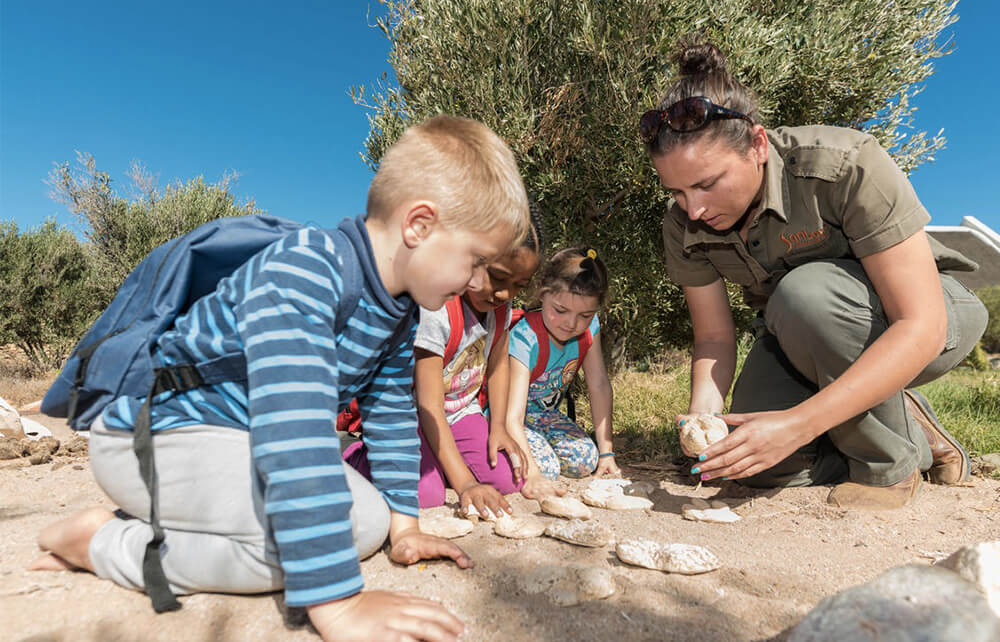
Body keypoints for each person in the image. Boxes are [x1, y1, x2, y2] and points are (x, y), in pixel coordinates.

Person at [29, 115, 531, 642]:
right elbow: (295, 437)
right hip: (156, 437)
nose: (477, 282)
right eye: (475, 260)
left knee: (367, 525)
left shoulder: (398, 312)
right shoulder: (307, 270)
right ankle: (104, 544)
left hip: (235, 444)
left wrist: (405, 526)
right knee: (302, 550)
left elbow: (390, 414)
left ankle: (154, 523)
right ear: (419, 226)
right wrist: (338, 604)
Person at [643, 39, 988, 510]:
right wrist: (704, 419)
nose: (695, 208)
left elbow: (922, 326)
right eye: (678, 191)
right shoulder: (681, 223)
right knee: (750, 460)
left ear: (758, 146)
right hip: (798, 338)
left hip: (932, 317)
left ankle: (888, 466)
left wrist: (799, 425)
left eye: (706, 183)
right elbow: (713, 338)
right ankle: (907, 426)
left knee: (803, 294)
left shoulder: (845, 164)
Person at [344, 205, 543, 517]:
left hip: (460, 411)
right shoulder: (439, 310)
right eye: (498, 277)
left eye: (520, 284)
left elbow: (498, 364)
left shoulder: (501, 310)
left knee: (507, 479)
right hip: (413, 413)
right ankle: (360, 456)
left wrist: (499, 427)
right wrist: (464, 483)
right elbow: (429, 406)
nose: (505, 293)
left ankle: (437, 460)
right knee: (428, 494)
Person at [505, 247, 620, 499]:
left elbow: (599, 384)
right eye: (560, 310)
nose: (571, 324)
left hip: (546, 415)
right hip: (510, 418)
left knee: (585, 461)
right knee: (546, 468)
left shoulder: (590, 330)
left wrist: (606, 452)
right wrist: (533, 474)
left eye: (585, 315)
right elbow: (511, 416)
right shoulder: (525, 336)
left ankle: (538, 452)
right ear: (542, 292)